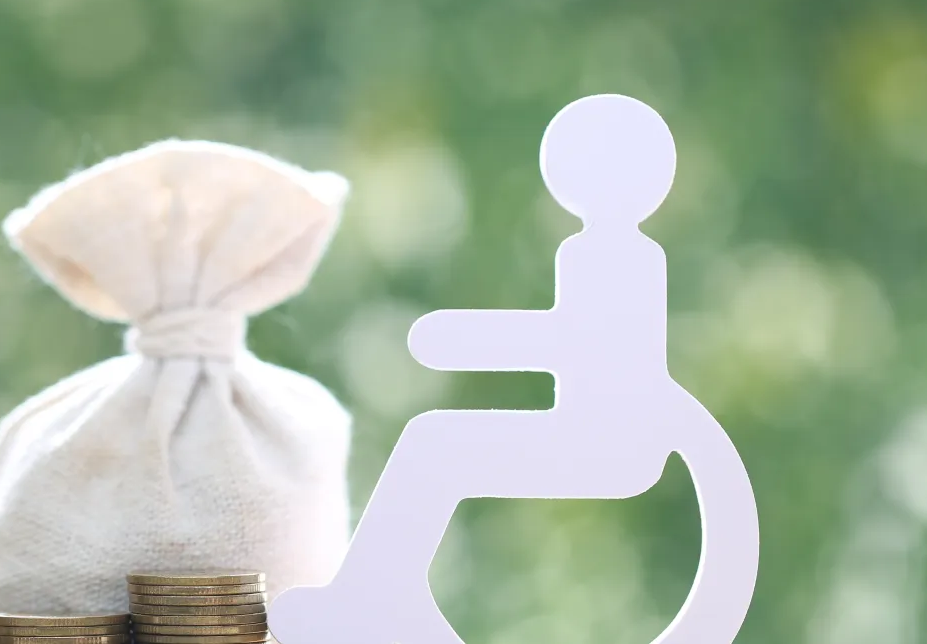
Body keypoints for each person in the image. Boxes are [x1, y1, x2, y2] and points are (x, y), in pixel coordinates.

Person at [269, 94, 760, 644]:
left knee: (435, 443)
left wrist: (458, 338)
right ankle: (378, 597)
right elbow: (572, 341)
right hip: (595, 432)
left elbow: (578, 343)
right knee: (435, 441)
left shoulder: (618, 261)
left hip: (606, 442)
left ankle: (373, 599)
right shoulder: (607, 255)